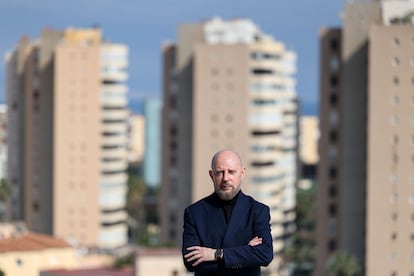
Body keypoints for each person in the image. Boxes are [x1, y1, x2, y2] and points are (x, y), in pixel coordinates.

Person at [182, 149, 273, 276]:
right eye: (220, 172)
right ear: (211, 175)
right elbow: (190, 262)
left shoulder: (258, 211)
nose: (225, 178)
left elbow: (265, 255)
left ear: (242, 173)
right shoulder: (195, 213)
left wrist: (215, 254)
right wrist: (246, 251)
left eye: (231, 172)